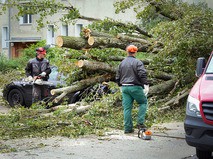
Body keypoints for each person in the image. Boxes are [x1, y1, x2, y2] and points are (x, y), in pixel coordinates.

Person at [115, 44, 149, 134]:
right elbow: (142, 74)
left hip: (125, 88)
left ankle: (127, 128)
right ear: (135, 52)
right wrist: (145, 84)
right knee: (143, 102)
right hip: (135, 87)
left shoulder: (122, 63)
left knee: (127, 108)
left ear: (127, 52)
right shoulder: (138, 62)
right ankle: (140, 123)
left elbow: (117, 76)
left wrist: (119, 85)